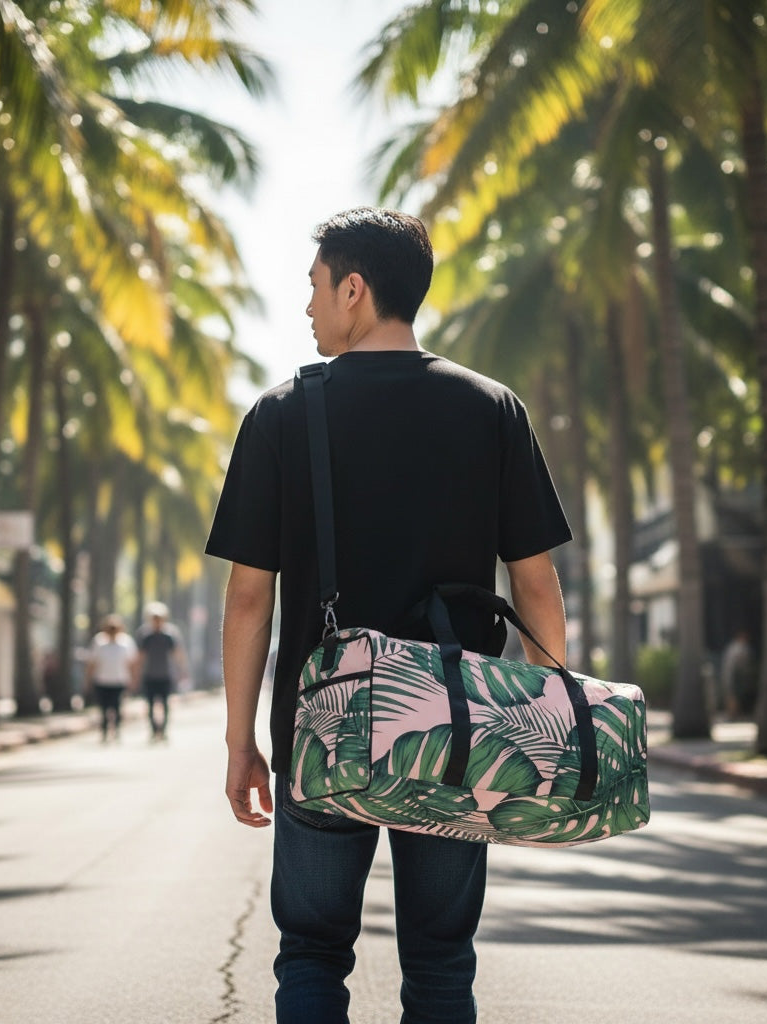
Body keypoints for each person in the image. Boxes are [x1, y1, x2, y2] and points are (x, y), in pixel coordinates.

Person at [205, 207, 571, 1024]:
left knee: (311, 952)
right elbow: (536, 586)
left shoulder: (281, 414)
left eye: (314, 287)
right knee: (441, 961)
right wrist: (538, 726)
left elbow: (249, 597)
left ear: (354, 289)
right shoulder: (493, 408)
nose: (307, 306)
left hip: (322, 729)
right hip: (458, 734)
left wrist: (241, 742)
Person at [135, 601, 187, 741]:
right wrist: (136, 674)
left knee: (165, 704)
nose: (157, 621)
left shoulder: (170, 635)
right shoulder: (145, 636)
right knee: (150, 705)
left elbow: (177, 654)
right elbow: (140, 656)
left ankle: (163, 730)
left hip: (166, 675)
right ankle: (153, 730)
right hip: (149, 675)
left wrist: (182, 670)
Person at [85, 615, 138, 742]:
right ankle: (104, 731)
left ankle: (116, 730)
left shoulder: (126, 642)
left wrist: (133, 679)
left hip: (119, 680)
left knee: (117, 707)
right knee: (103, 708)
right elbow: (92, 662)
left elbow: (132, 663)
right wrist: (88, 679)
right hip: (102, 680)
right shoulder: (99, 642)